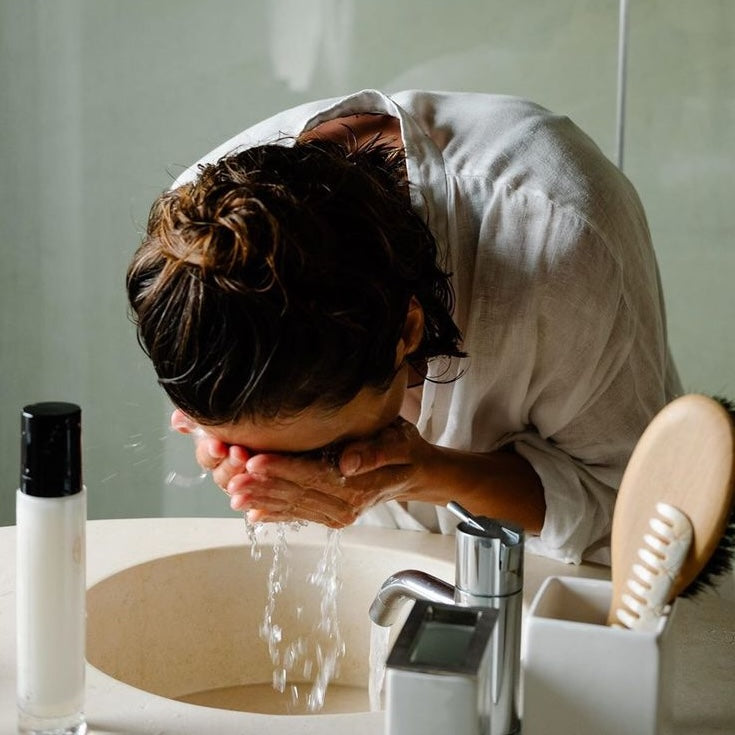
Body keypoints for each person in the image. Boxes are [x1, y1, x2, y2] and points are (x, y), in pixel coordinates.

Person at [126, 89, 681, 564]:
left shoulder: (560, 242)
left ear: (408, 329)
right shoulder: (197, 241)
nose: (302, 475)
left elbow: (639, 516)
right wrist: (226, 447)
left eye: (330, 451)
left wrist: (423, 473)